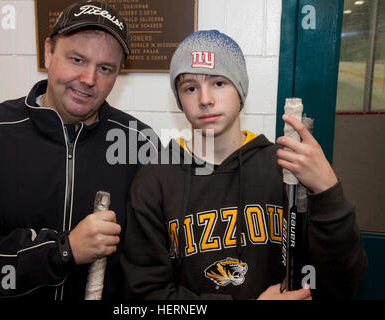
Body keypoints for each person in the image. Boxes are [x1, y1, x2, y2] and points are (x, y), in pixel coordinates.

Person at [0, 1, 158, 300]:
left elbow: (152, 261)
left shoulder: (141, 143)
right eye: (77, 59)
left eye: (105, 68)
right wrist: (60, 252)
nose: (89, 80)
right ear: (49, 51)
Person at [121, 30, 367, 300]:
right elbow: (145, 294)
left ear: (240, 90)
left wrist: (328, 189)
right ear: (180, 101)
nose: (205, 99)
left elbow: (341, 282)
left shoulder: (285, 169)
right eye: (190, 88)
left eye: (218, 83)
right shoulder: (155, 181)